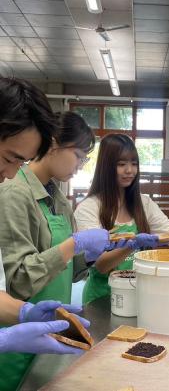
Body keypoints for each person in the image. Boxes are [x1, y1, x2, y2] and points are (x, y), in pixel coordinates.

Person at [0, 109, 115, 391]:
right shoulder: (14, 191)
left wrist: (90, 254)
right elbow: (20, 279)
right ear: (53, 143)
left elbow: (69, 271)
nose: (80, 165)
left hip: (49, 327)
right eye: (79, 155)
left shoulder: (58, 197)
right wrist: (73, 244)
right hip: (17, 337)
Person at [75, 133, 169, 304]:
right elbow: (101, 265)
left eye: (134, 164)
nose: (129, 170)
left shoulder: (144, 203)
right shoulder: (89, 208)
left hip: (140, 296)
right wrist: (132, 245)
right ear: (105, 167)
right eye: (121, 164)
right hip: (101, 299)